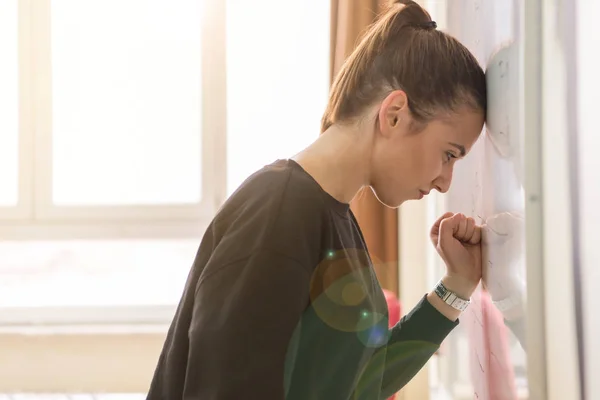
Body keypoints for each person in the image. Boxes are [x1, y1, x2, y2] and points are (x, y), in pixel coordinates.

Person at [146, 1, 487, 399]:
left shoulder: (330, 215)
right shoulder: (279, 212)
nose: (445, 182)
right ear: (394, 114)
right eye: (449, 154)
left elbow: (362, 381)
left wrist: (457, 285)